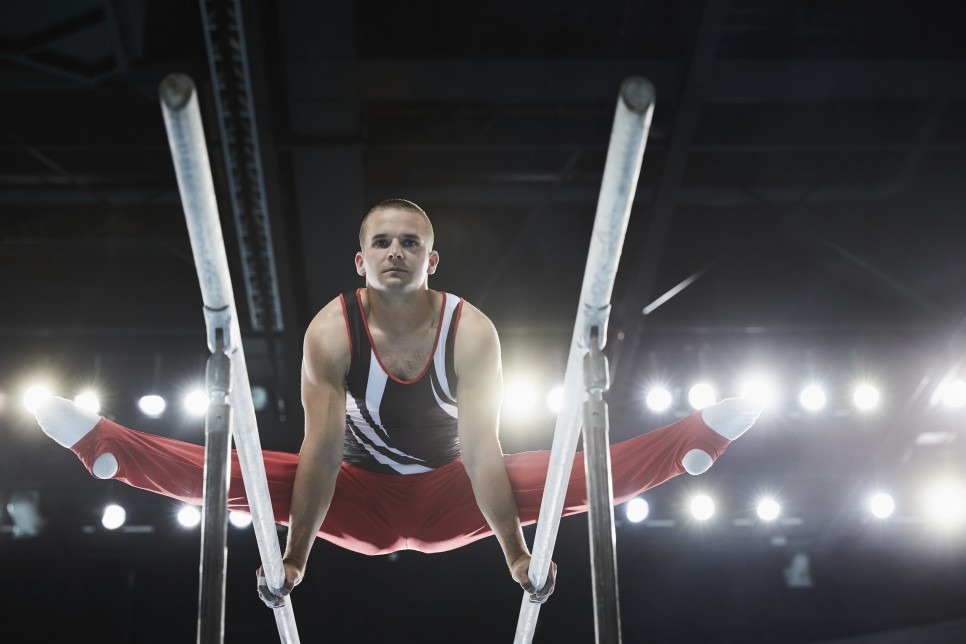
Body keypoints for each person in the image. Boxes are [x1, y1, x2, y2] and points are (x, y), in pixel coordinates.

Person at [33, 198, 762, 612]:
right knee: (246, 475)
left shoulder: (469, 329)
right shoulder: (332, 328)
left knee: (569, 475)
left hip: (455, 492)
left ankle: (692, 442)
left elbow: (480, 449)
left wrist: (515, 550)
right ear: (360, 259)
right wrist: (294, 558)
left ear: (431, 260)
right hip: (353, 495)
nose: (395, 252)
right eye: (381, 241)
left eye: (409, 242)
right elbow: (321, 449)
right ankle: (108, 448)